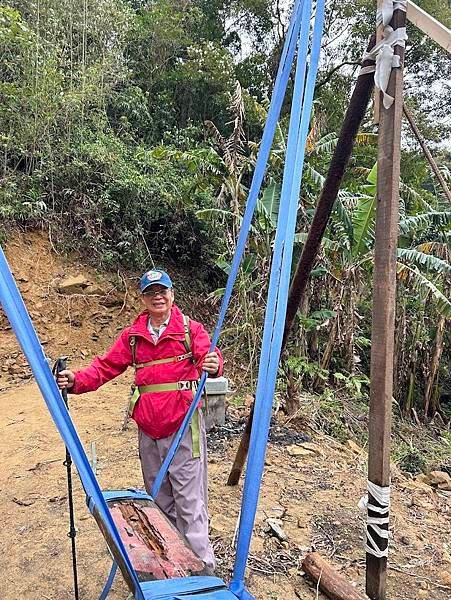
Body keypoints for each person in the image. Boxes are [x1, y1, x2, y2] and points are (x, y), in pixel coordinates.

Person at [57, 268, 222, 570]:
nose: (157, 296)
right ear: (143, 298)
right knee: (159, 497)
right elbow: (106, 367)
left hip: (183, 424)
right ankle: (174, 563)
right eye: (150, 292)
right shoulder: (134, 337)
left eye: (163, 291)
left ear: (172, 294)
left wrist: (214, 363)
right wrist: (76, 380)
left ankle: (203, 569)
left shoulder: (190, 329)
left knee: (189, 500)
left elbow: (208, 358)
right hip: (148, 428)